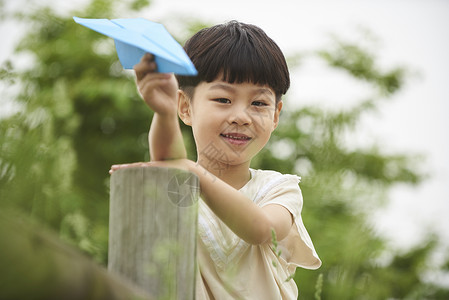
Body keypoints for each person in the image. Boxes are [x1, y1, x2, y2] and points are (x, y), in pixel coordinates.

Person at [110, 20, 321, 299]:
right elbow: (168, 163)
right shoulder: (182, 185)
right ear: (185, 107)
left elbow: (260, 229)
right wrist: (163, 113)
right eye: (223, 99)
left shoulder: (279, 188)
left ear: (276, 116)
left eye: (258, 103)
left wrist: (191, 171)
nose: (241, 117)